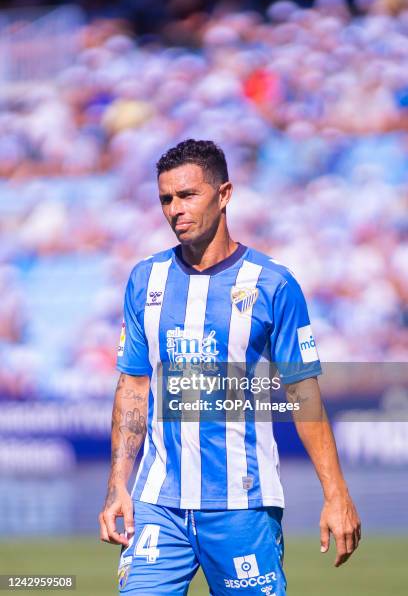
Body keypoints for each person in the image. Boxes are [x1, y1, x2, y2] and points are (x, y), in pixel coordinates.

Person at [99, 139, 361, 595]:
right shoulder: (146, 279)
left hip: (243, 506)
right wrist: (118, 484)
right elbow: (134, 387)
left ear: (224, 194)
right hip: (158, 504)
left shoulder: (272, 284)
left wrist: (335, 493)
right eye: (166, 199)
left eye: (188, 195)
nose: (175, 209)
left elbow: (303, 394)